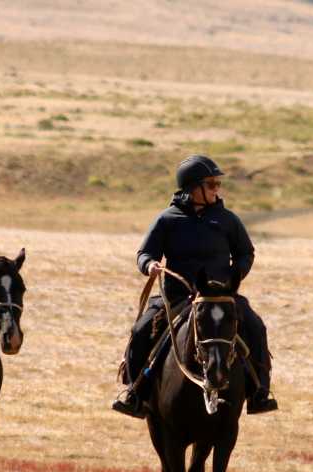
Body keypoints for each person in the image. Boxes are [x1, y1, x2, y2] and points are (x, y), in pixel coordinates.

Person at [112, 155, 278, 418]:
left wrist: (235, 275)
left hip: (220, 297)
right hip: (178, 297)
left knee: (256, 327)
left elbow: (246, 253)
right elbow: (144, 253)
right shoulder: (167, 219)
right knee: (141, 329)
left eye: (217, 184)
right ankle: (134, 393)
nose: (216, 189)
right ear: (193, 187)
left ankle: (260, 393)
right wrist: (150, 265)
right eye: (211, 184)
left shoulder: (228, 220)